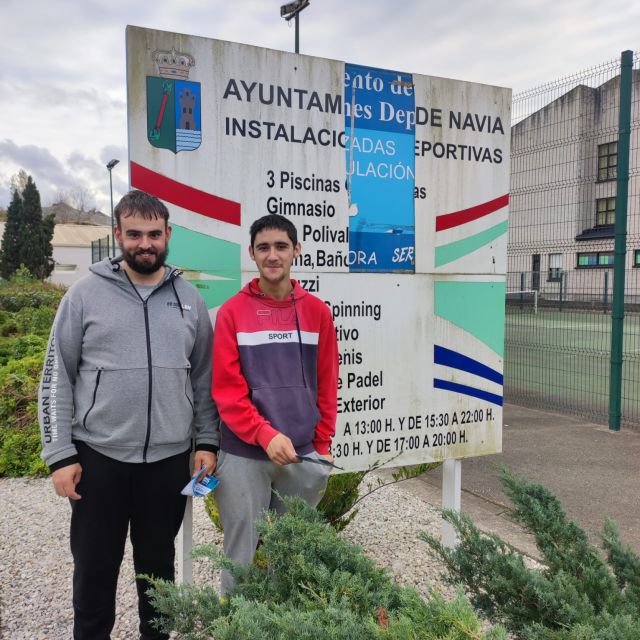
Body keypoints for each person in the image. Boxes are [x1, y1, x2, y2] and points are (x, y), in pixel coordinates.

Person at [38, 190, 220, 640]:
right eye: (134, 234)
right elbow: (56, 375)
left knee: (157, 578)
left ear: (168, 236)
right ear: (118, 234)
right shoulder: (83, 295)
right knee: (95, 575)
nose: (145, 244)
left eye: (154, 235)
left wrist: (208, 442)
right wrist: (60, 454)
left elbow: (205, 379)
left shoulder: (190, 299)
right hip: (99, 461)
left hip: (166, 463)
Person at [212, 213, 339, 593]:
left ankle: (280, 626)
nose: (272, 255)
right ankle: (234, 626)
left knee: (289, 552)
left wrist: (321, 447)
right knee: (240, 554)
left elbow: (327, 385)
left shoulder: (318, 312)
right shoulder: (232, 312)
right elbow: (226, 391)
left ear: (296, 251)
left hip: (301, 454)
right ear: (251, 253)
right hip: (244, 454)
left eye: (281, 246)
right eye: (263, 247)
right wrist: (264, 434)